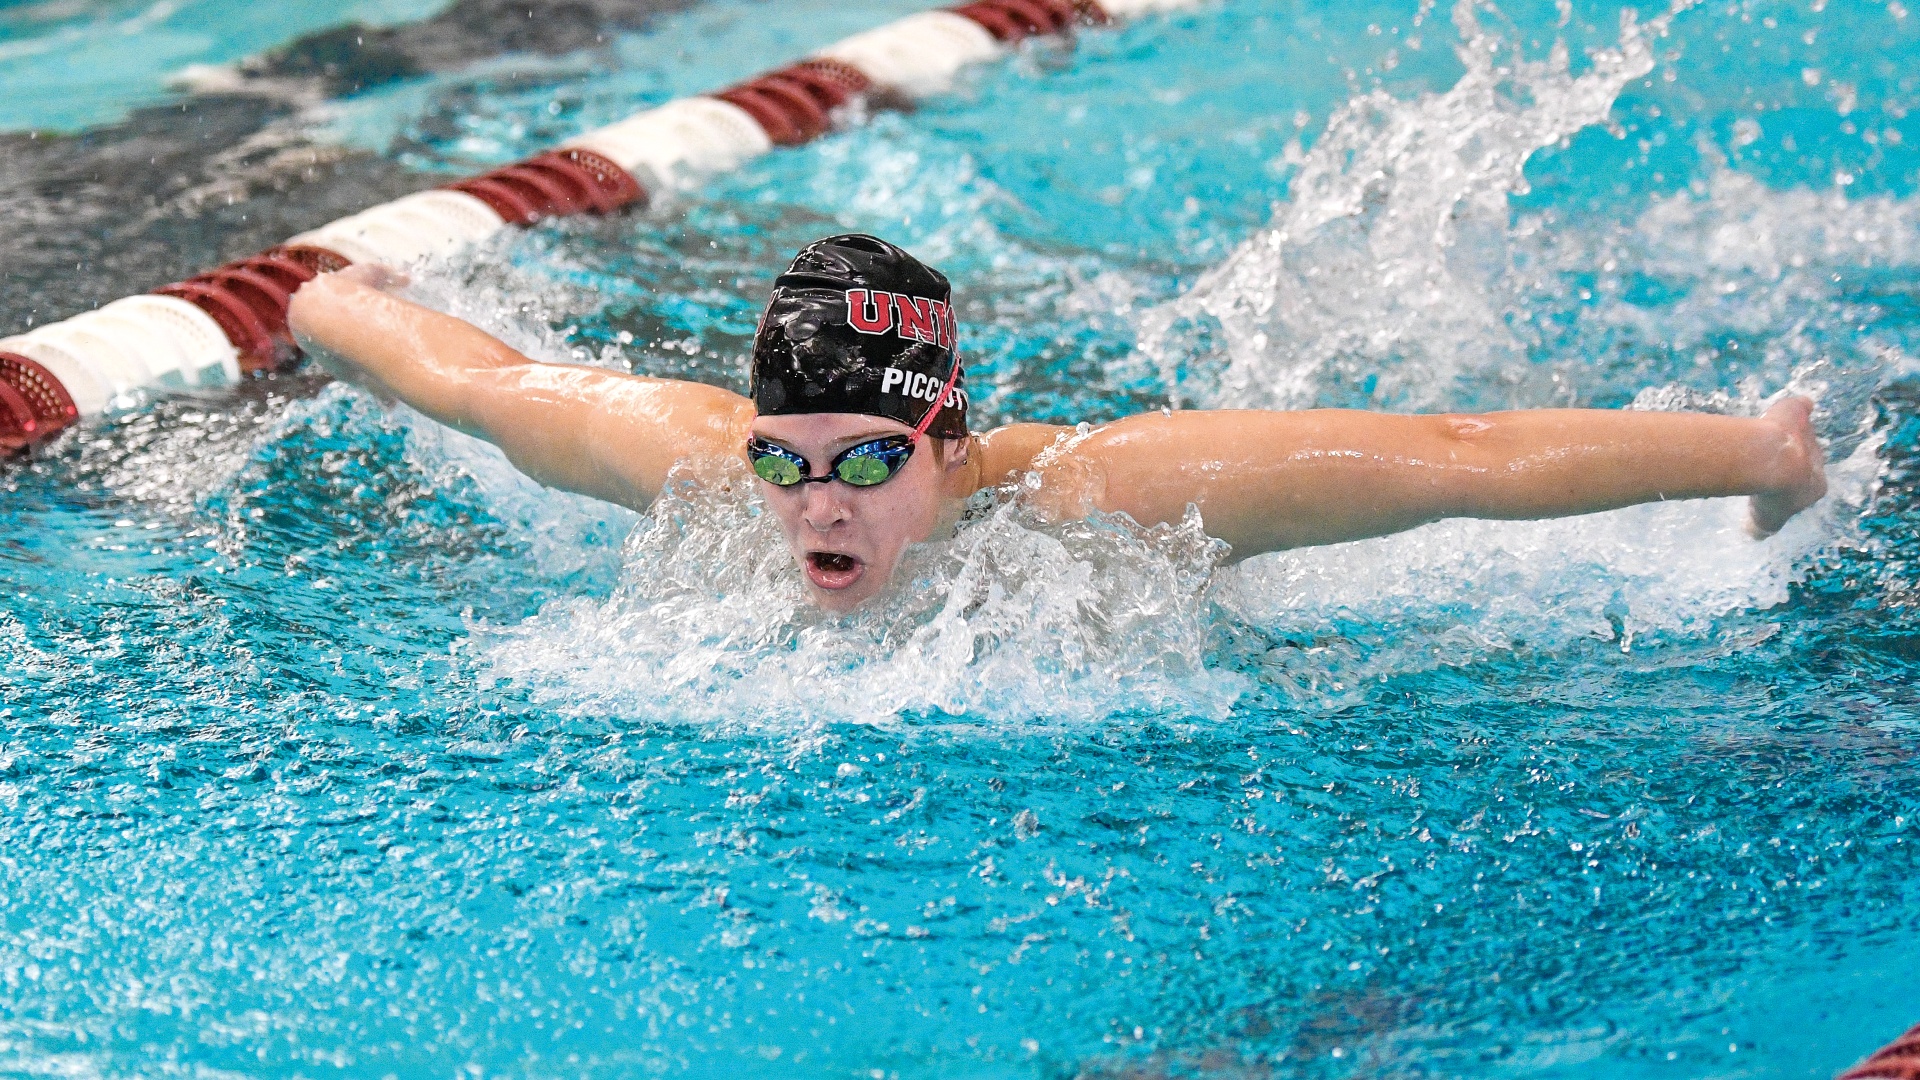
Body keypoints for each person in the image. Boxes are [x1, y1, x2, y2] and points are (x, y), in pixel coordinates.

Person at [286, 233, 1828, 613]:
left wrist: (1757, 458)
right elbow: (474, 381)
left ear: (953, 444)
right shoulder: (697, 467)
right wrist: (318, 299)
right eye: (790, 463)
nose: (819, 508)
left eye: (869, 465)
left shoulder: (1103, 497)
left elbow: (1452, 460)